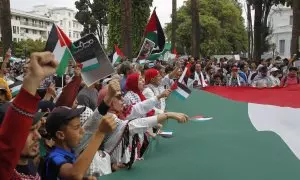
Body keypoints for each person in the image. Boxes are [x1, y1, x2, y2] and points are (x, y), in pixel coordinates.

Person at [82, 79, 189, 171]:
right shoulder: (107, 119)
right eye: (118, 97)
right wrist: (167, 115)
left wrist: (159, 96)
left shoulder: (122, 112)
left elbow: (139, 107)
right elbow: (133, 125)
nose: (123, 100)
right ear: (109, 101)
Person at [0, 52, 58, 179]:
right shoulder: (5, 171)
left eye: (36, 129)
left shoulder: (32, 164)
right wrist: (32, 80)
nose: (38, 136)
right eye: (29, 130)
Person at [44, 106, 117, 179]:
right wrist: (100, 133)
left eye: (80, 126)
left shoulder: (70, 151)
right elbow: (74, 174)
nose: (82, 130)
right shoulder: (54, 157)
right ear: (60, 135)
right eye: (76, 127)